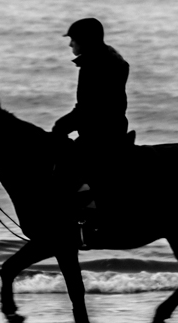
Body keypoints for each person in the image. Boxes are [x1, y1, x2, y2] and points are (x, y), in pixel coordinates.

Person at [53, 18, 130, 225]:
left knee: (63, 170)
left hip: (100, 133)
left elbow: (88, 108)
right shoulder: (109, 59)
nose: (70, 45)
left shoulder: (93, 65)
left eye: (73, 40)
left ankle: (86, 219)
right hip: (112, 128)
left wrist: (60, 127)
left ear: (84, 41)